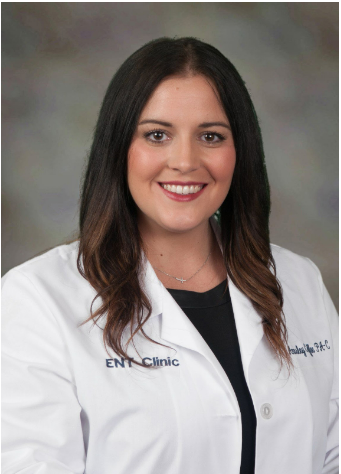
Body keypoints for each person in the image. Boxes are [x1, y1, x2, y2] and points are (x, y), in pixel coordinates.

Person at [2, 37, 338, 474]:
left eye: (211, 136)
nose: (184, 161)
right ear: (119, 147)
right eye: (157, 135)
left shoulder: (298, 281)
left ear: (241, 151)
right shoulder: (36, 300)